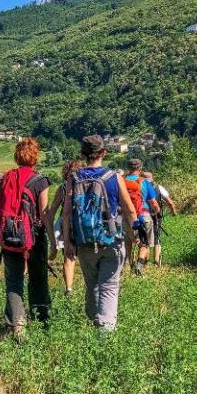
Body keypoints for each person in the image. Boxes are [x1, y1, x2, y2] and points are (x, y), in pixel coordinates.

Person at [63, 135, 137, 331]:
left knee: (92, 285)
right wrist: (135, 232)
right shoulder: (114, 177)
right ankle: (105, 333)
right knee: (109, 286)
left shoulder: (74, 178)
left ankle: (93, 321)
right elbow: (129, 209)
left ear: (83, 154)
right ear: (103, 152)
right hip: (111, 240)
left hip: (84, 241)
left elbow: (67, 212)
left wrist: (67, 241)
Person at [0, 137, 51, 337]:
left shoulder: (6, 177)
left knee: (14, 281)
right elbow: (44, 213)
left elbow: (0, 209)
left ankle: (16, 327)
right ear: (35, 157)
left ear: (17, 156)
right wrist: (54, 242)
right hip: (34, 237)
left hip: (10, 236)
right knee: (38, 279)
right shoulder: (40, 180)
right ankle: (41, 319)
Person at [46, 159, 84, 296]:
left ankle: (69, 289)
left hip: (67, 224)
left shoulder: (62, 188)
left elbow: (52, 212)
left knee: (69, 256)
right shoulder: (89, 183)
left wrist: (51, 231)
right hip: (85, 223)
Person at [124, 159, 161, 276]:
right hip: (143, 215)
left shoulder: (122, 182)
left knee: (128, 242)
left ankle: (129, 265)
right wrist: (157, 212)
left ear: (128, 168)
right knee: (144, 243)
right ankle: (139, 267)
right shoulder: (144, 182)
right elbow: (153, 203)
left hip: (127, 217)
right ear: (140, 169)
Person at [143, 172, 178, 267]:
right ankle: (156, 262)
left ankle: (144, 262)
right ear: (152, 178)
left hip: (141, 215)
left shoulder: (139, 186)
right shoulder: (159, 188)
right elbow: (170, 202)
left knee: (145, 239)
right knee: (156, 238)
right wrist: (173, 211)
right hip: (155, 216)